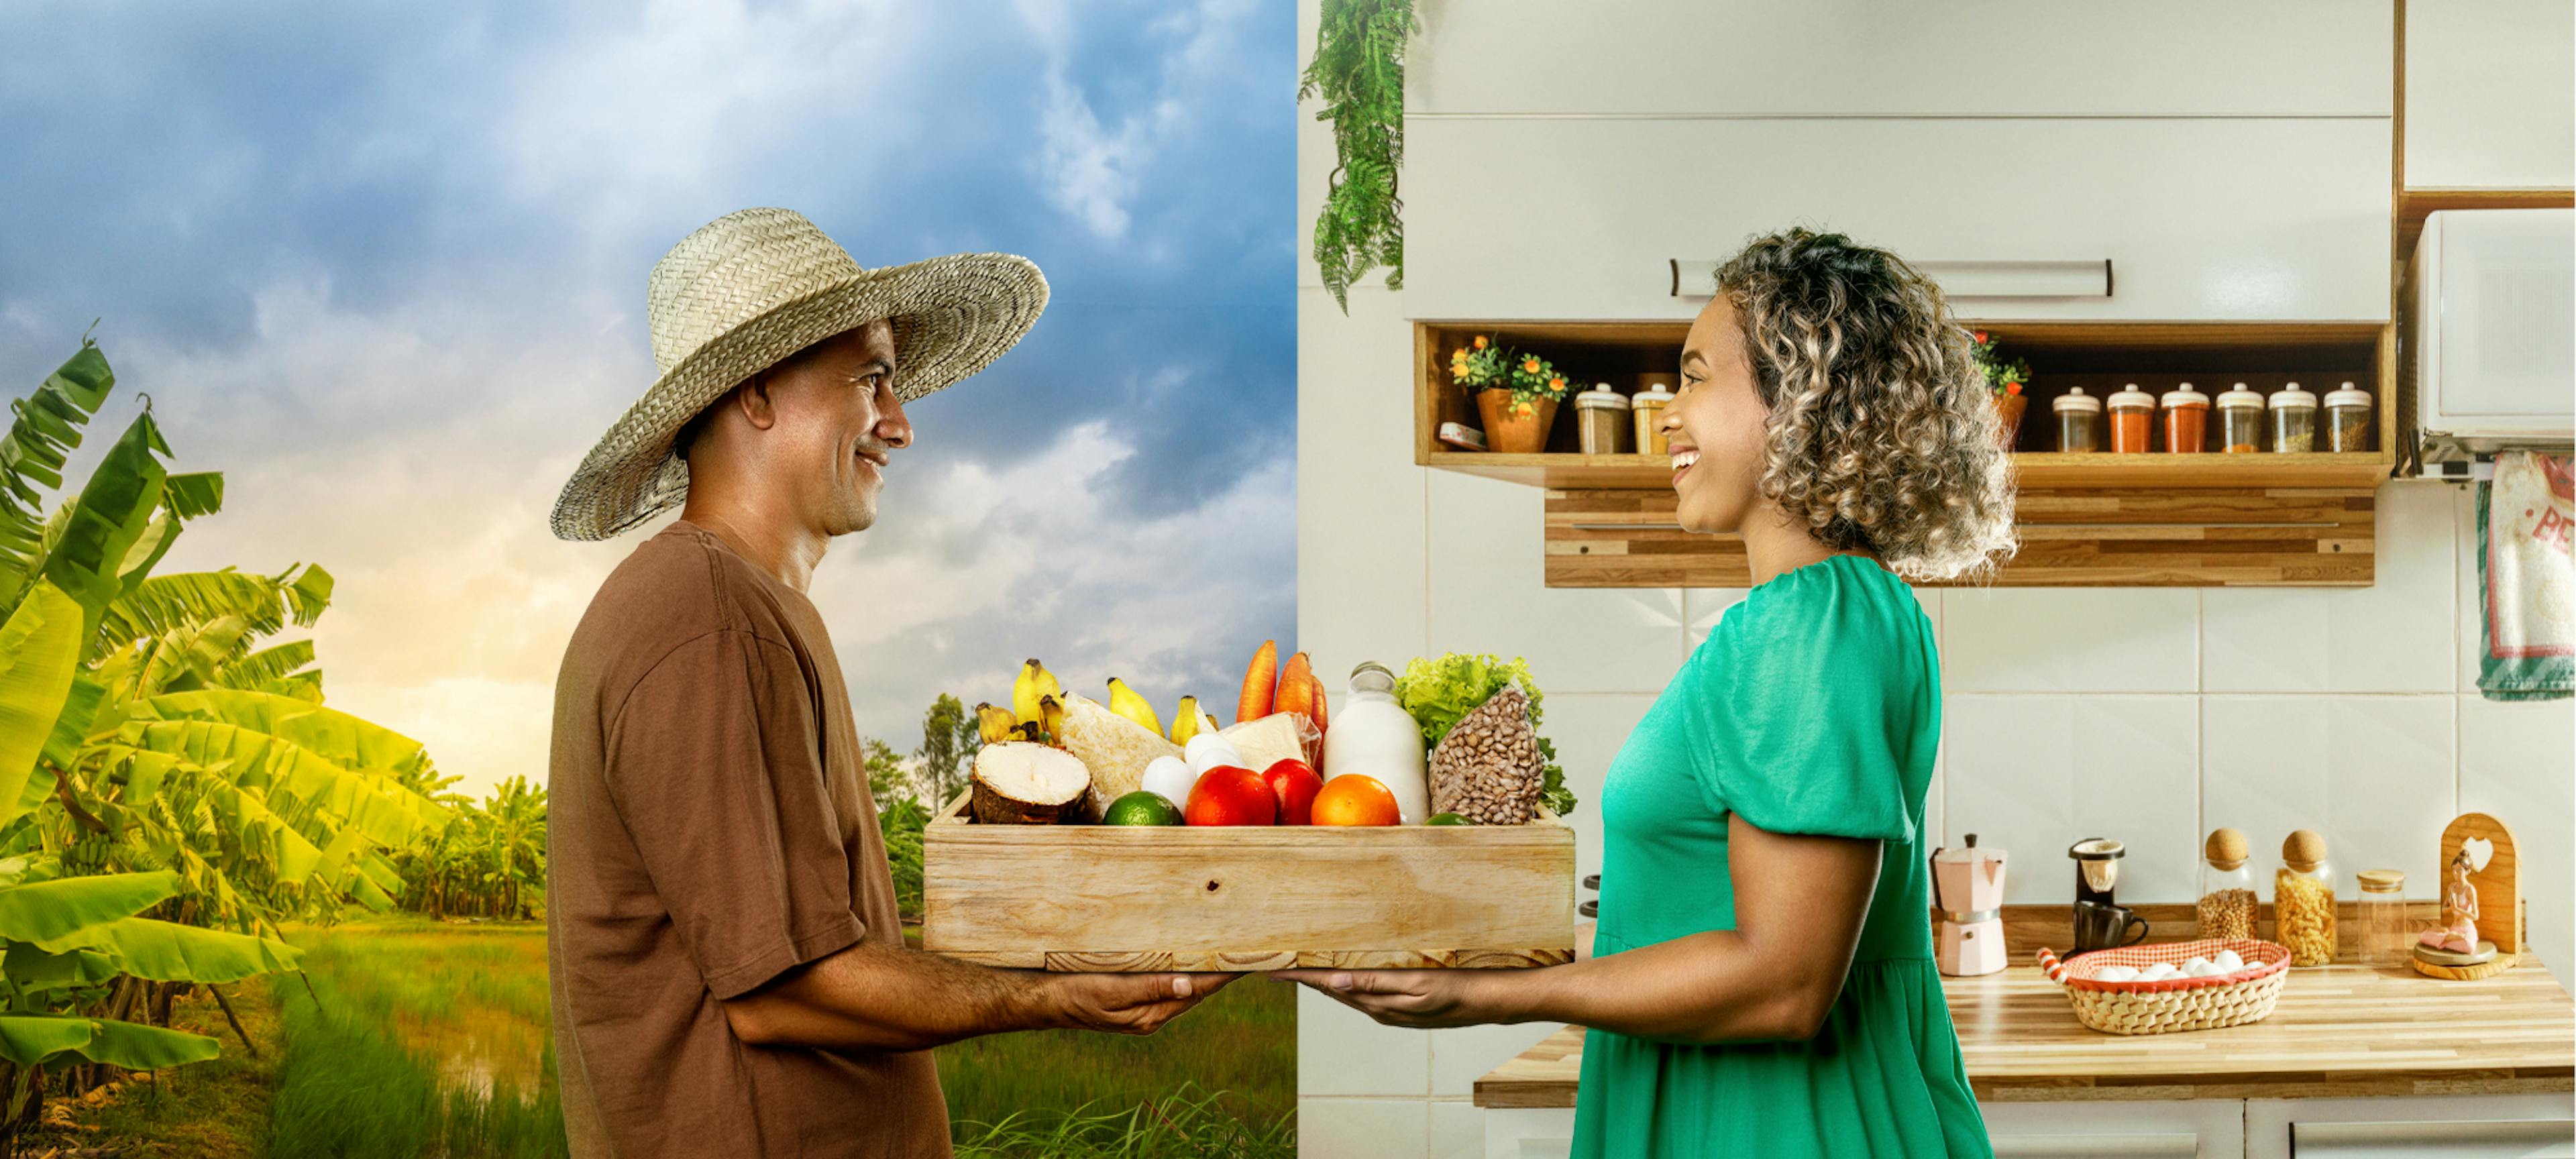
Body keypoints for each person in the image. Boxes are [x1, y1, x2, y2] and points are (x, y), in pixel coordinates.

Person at [1276, 227, 2015, 1157]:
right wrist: (1472, 955)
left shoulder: (1808, 623)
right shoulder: (1848, 609)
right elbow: (1699, 932)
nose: (1668, 413)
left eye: (1699, 377)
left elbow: (1783, 983)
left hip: (1782, 1129)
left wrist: (1486, 998)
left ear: (1804, 402)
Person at [545, 207, 1230, 1159]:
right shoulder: (707, 620)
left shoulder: (748, 607)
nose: (901, 426)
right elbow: (780, 989)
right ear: (756, 393)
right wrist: (1051, 996)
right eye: (872, 381)